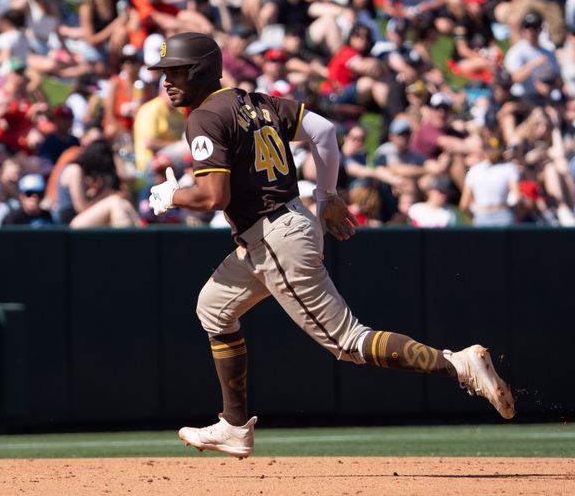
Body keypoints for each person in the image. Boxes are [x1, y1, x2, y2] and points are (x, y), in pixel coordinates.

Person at [146, 32, 515, 459]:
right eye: (164, 73)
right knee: (213, 307)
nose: (166, 82)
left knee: (349, 342)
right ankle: (233, 426)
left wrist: (171, 196)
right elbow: (323, 130)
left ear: (200, 71)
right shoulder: (260, 102)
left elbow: (214, 198)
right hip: (282, 226)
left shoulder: (204, 116)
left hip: (273, 239)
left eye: (174, 72)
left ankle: (458, 365)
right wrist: (326, 196)